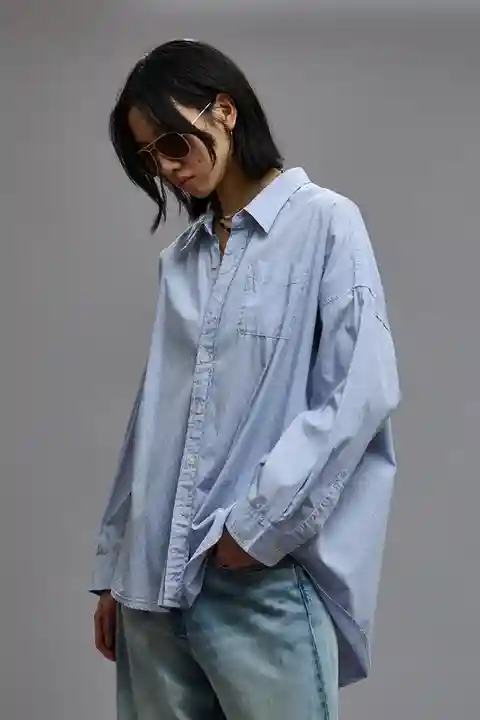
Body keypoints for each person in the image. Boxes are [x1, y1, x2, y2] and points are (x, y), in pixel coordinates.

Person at [91, 39, 401, 720]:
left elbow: (360, 389)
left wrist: (257, 528)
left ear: (224, 111)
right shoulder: (181, 259)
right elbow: (155, 416)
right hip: (150, 590)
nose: (166, 168)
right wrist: (115, 566)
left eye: (173, 143)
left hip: (254, 578)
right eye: (148, 157)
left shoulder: (325, 223)